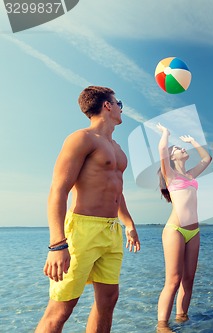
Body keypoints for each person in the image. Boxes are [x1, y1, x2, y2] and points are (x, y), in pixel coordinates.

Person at [35, 86, 141, 333]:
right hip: (82, 230)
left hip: (111, 231)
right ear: (107, 105)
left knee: (108, 301)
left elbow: (117, 191)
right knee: (61, 309)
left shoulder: (117, 148)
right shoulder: (81, 139)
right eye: (118, 102)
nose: (120, 107)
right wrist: (57, 244)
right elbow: (58, 190)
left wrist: (129, 224)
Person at [156, 123, 212, 332]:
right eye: (178, 149)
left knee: (188, 279)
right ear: (172, 158)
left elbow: (207, 159)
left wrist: (193, 142)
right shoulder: (170, 174)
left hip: (194, 232)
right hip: (175, 230)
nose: (182, 149)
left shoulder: (190, 175)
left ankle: (182, 317)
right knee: (173, 280)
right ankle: (162, 325)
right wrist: (165, 133)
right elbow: (162, 150)